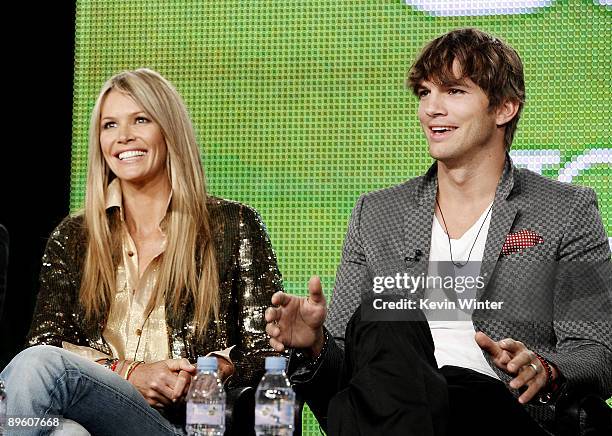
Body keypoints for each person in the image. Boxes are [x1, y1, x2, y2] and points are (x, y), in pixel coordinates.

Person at [265, 28, 612, 435]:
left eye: (453, 92)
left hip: (499, 410)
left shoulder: (564, 210)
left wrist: (545, 369)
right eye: (425, 93)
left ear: (505, 108)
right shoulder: (376, 213)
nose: (431, 109)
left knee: (460, 383)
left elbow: (598, 351)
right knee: (389, 312)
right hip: (391, 410)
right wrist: (315, 345)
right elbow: (347, 372)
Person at [1, 68, 283, 435]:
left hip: (184, 426)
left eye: (140, 120)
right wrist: (130, 373)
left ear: (168, 130)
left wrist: (209, 371)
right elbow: (45, 343)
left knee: (38, 368)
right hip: (90, 419)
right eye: (109, 125)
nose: (124, 137)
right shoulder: (74, 235)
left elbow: (269, 353)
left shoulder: (232, 225)